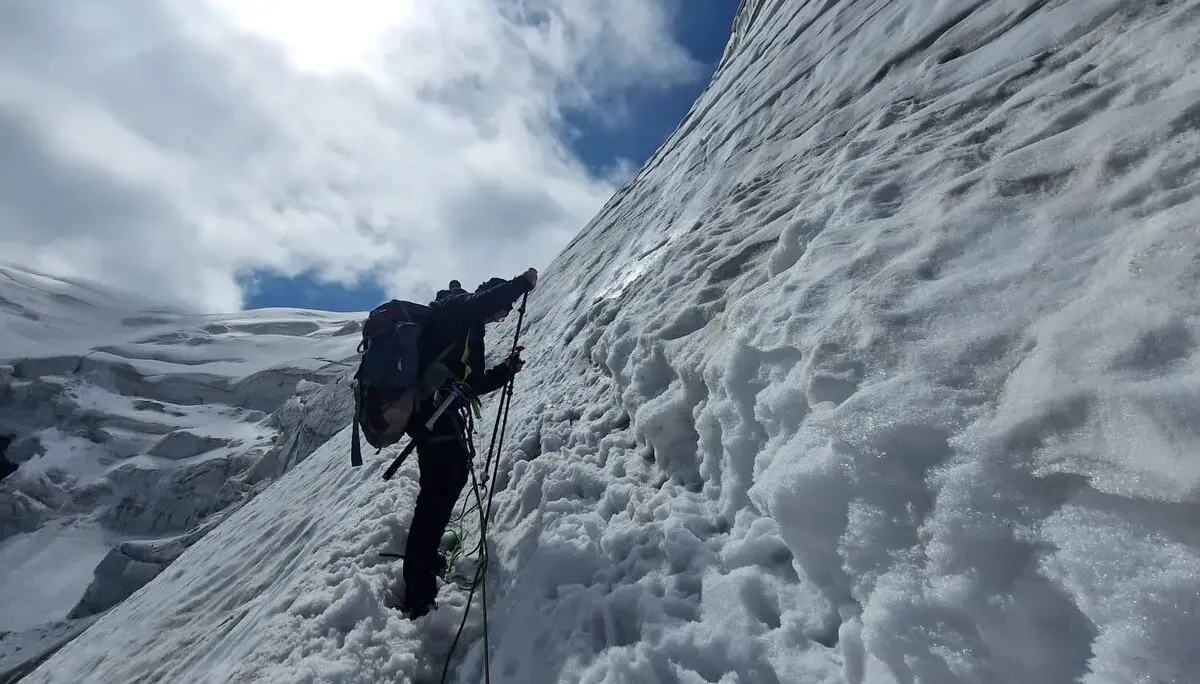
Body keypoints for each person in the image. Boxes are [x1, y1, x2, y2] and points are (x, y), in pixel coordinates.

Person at [399, 267, 538, 618]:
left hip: (439, 416)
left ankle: (425, 562)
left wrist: (507, 369)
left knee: (448, 484)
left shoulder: (468, 329)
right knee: (436, 496)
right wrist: (520, 285)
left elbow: (471, 383)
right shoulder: (458, 308)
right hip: (433, 417)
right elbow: (482, 302)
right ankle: (417, 592)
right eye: (501, 312)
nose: (499, 317)